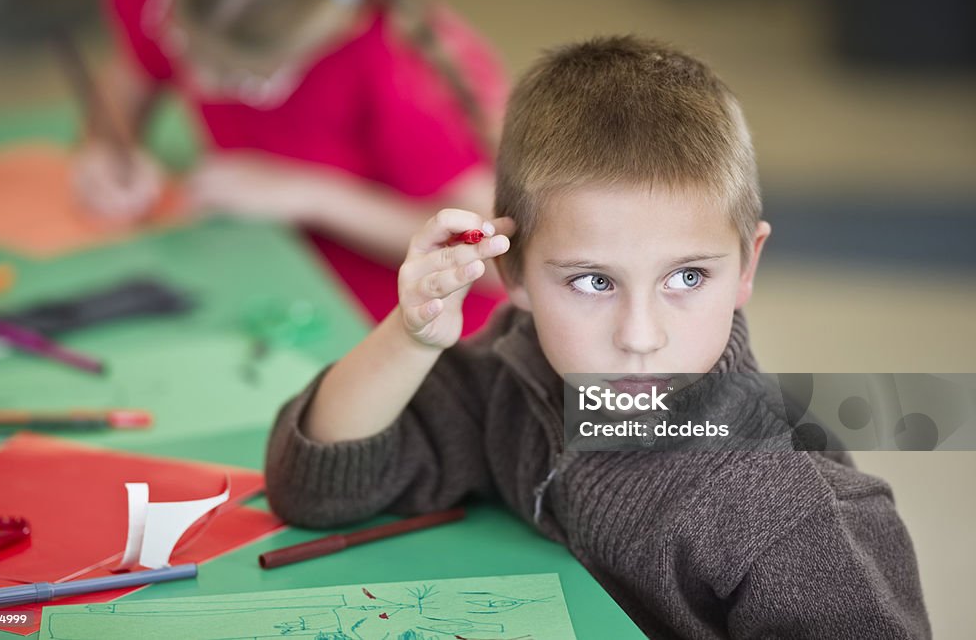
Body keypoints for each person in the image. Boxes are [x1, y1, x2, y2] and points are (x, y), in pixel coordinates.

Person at [264, 35, 931, 638]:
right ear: (512, 271)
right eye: (593, 283)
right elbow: (316, 487)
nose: (640, 336)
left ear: (746, 265)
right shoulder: (511, 377)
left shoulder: (793, 516)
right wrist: (410, 338)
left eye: (688, 276)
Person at [75, 0, 506, 335]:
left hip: (407, 319)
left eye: (244, 77)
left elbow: (491, 258)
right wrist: (107, 146)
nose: (203, 81)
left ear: (336, 30)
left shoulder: (399, 68)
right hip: (265, 264)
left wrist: (312, 196)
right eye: (181, 45)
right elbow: (131, 75)